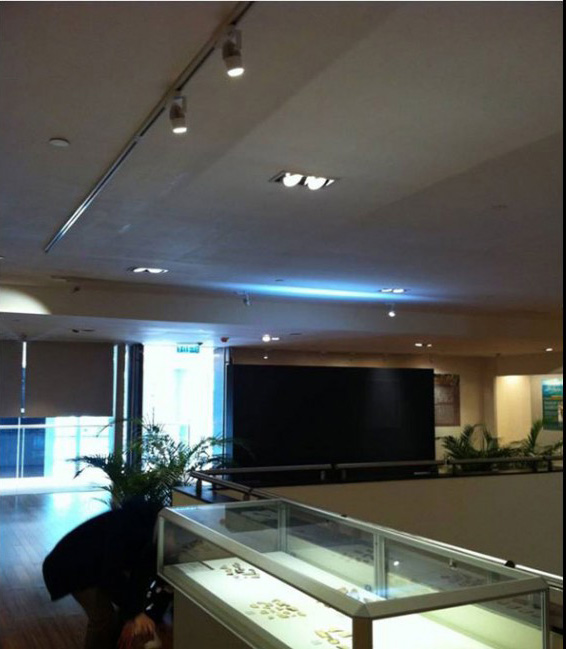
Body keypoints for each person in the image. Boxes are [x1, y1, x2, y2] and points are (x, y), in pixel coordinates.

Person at [42, 498, 167, 649]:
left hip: (94, 565)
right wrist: (135, 614)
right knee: (102, 617)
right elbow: (110, 573)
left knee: (117, 612)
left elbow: (139, 578)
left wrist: (133, 614)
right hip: (71, 567)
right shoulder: (130, 525)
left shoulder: (153, 532)